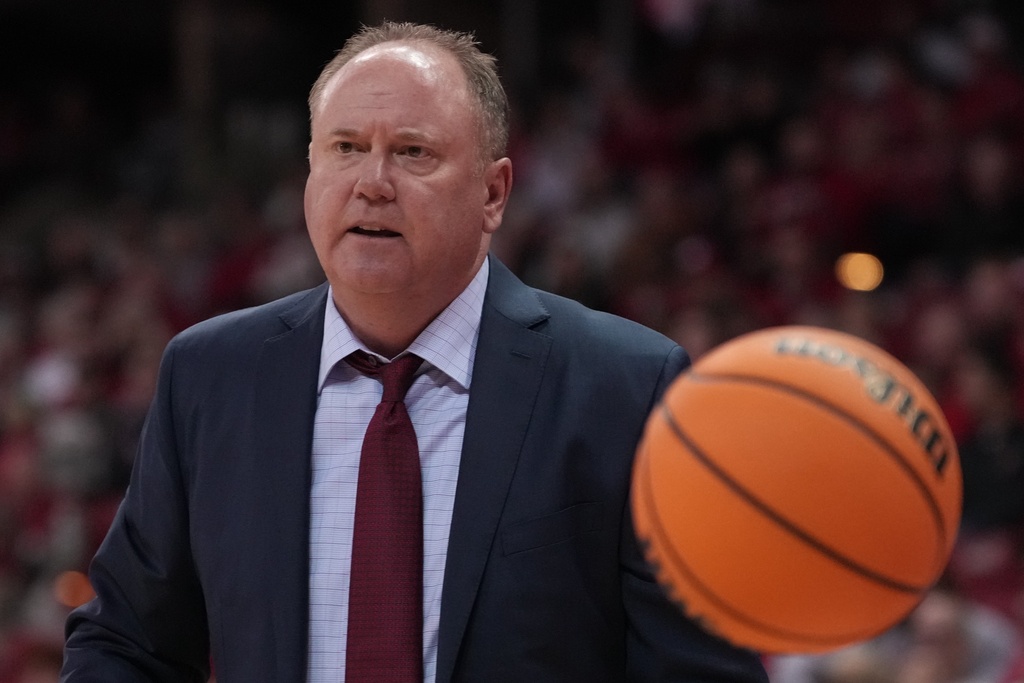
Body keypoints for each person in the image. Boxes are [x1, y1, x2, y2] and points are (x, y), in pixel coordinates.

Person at [60, 21, 768, 682]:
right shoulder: (210, 375)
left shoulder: (628, 388)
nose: (371, 183)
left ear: (493, 193)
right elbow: (125, 642)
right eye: (344, 148)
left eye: (412, 152)